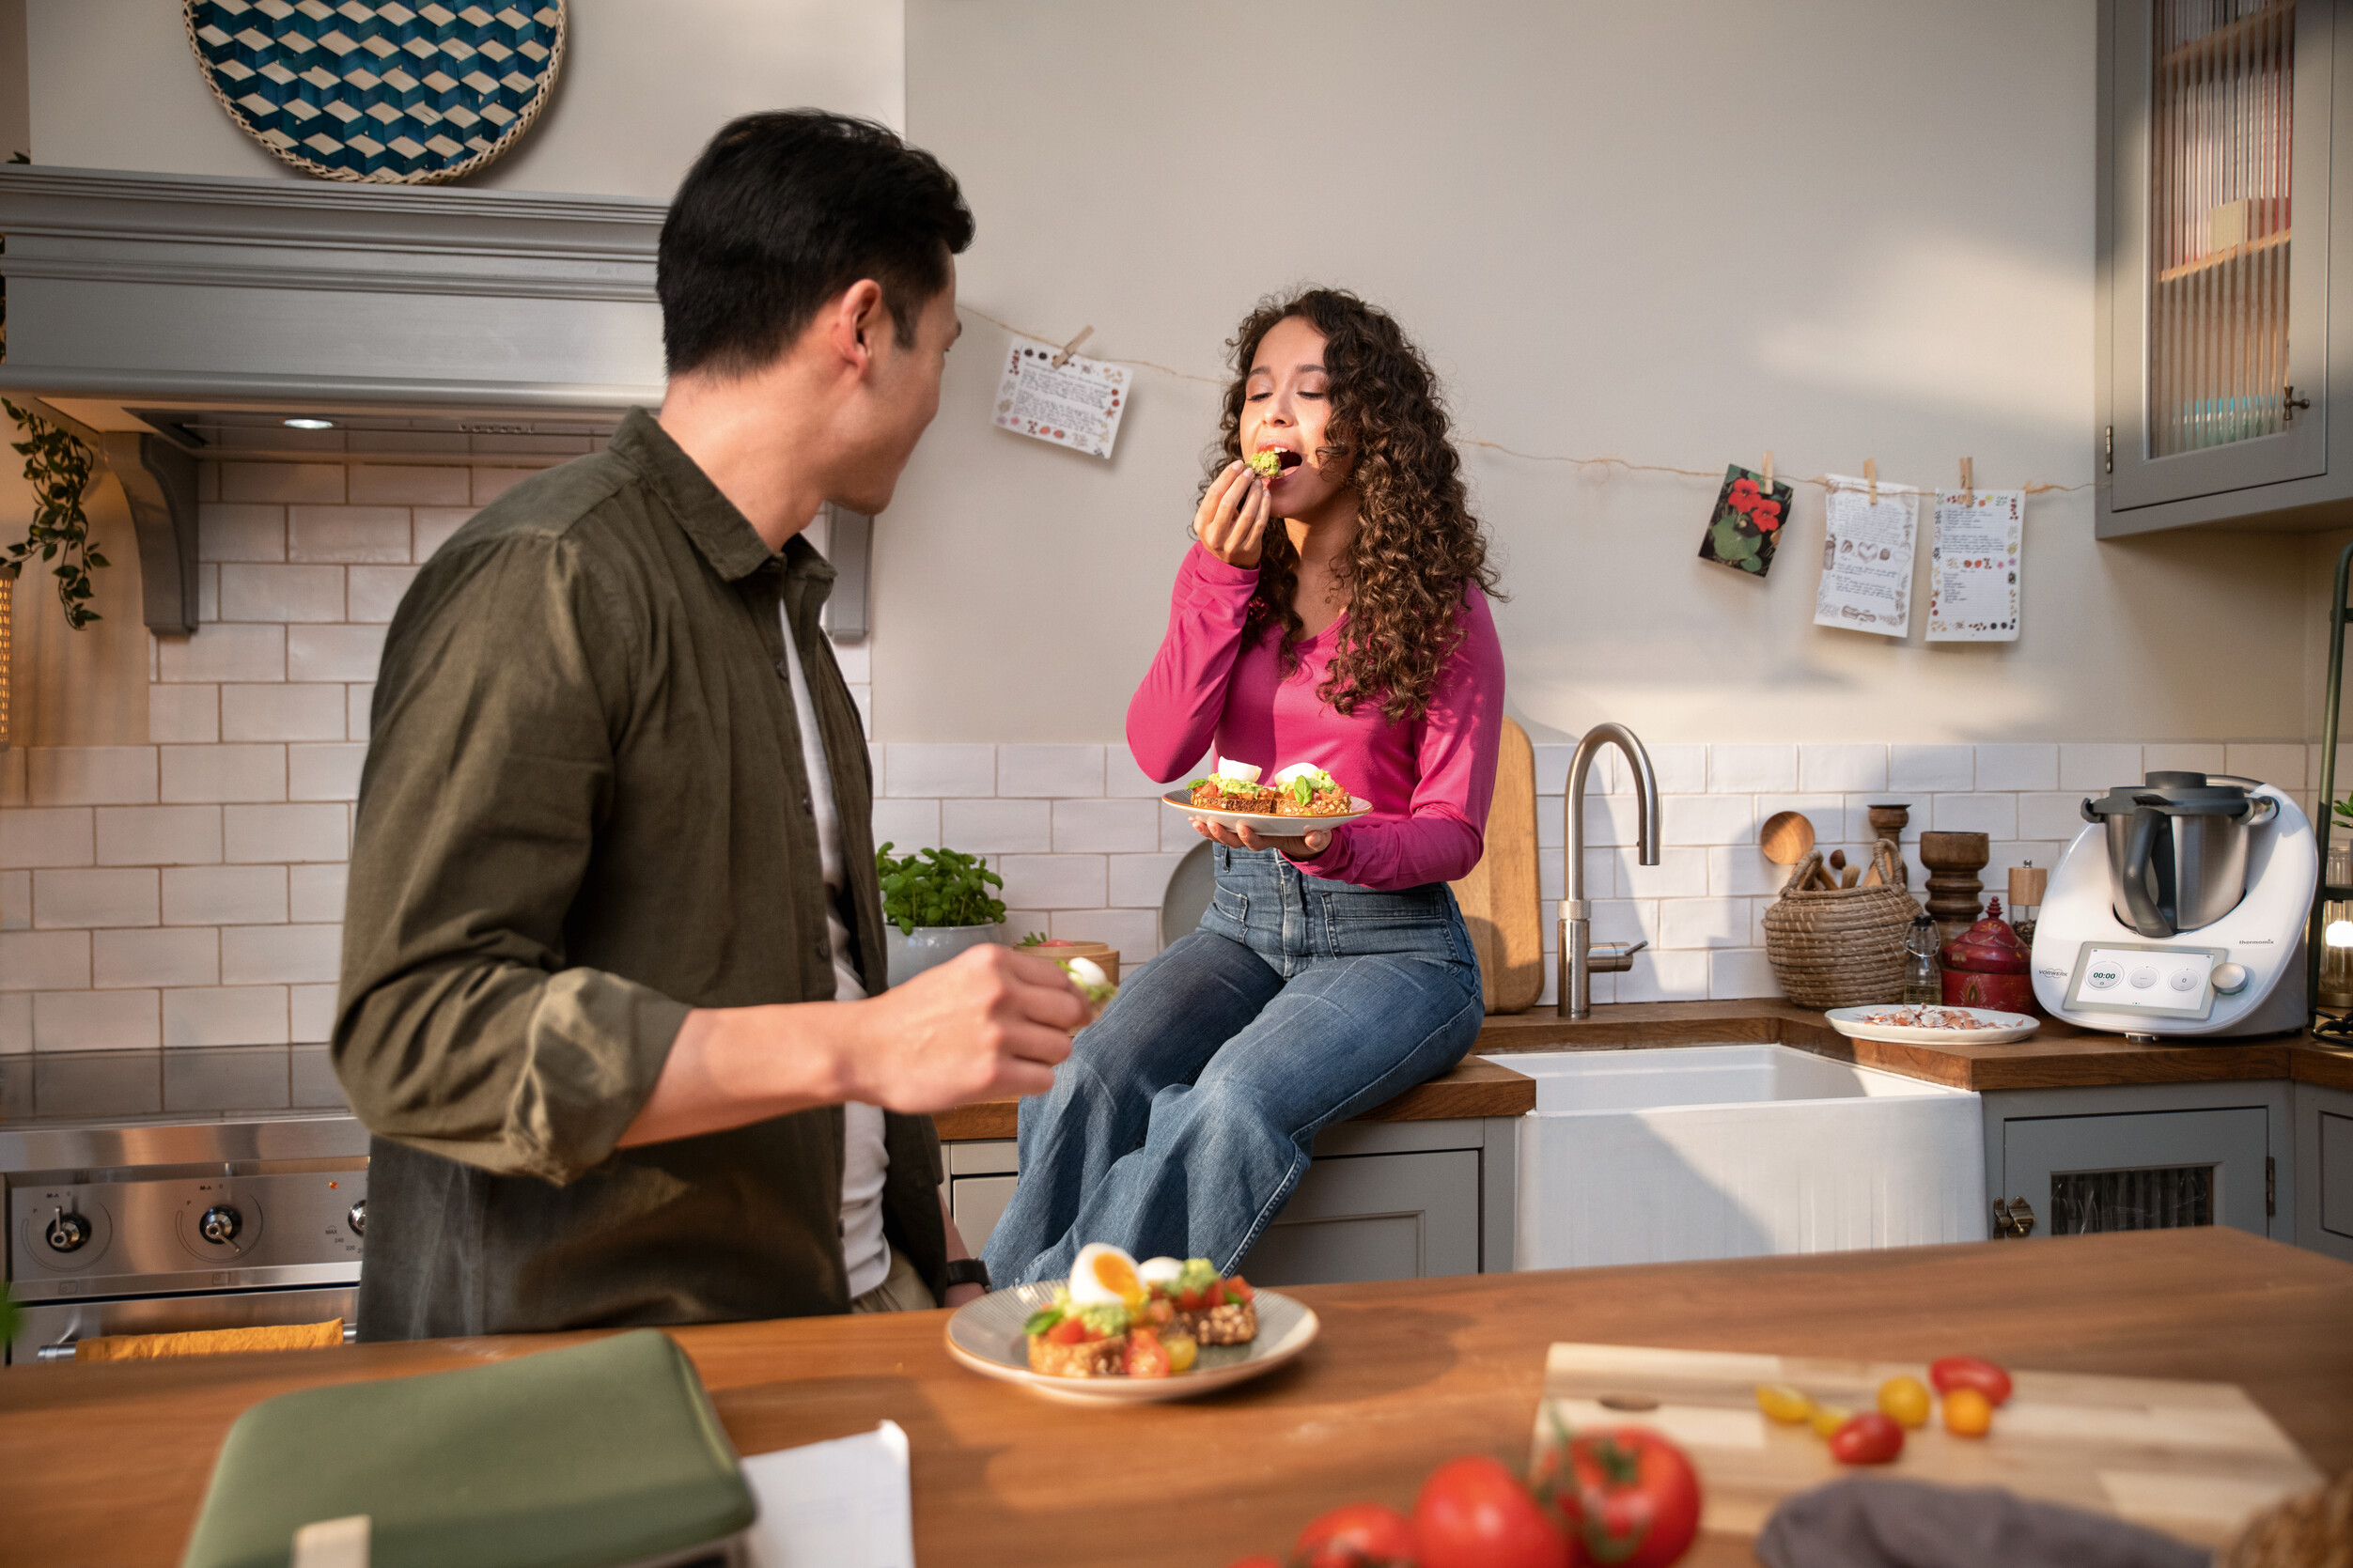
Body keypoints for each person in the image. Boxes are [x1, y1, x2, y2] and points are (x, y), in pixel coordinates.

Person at [335, 111, 1089, 1340]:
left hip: (845, 1303)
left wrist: (941, 1254)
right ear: (859, 330)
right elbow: (414, 1033)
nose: (937, 396)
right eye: (939, 349)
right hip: (618, 1380)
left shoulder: (784, 603)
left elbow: (824, 965)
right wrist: (857, 1047)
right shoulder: (552, 575)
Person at [984, 287, 1504, 1285]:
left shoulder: (1442, 603)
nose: (1272, 414)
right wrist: (1216, 582)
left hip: (1392, 949)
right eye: (1257, 392)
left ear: (1371, 432)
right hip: (1238, 925)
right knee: (1085, 1074)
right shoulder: (1226, 575)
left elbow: (1452, 830)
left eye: (1309, 393)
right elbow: (1159, 747)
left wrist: (1335, 842)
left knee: (1226, 1100)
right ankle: (1006, 1313)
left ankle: (1075, 1328)